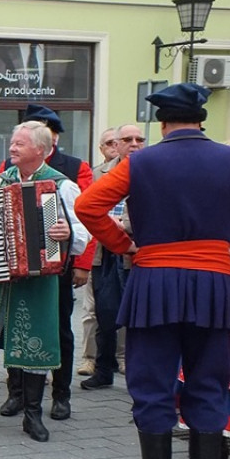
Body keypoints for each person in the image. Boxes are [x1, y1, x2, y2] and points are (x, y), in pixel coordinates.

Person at [75, 84, 230, 459]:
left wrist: (123, 244)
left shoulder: (139, 163)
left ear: (162, 124)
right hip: (217, 282)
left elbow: (89, 207)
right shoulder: (228, 158)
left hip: (155, 280)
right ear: (202, 119)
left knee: (152, 381)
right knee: (210, 381)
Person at [0, 121, 88, 442]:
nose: (11, 148)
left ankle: (32, 414)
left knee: (36, 340)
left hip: (39, 277)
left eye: (19, 144)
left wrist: (67, 235)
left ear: (40, 150)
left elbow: (82, 233)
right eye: (12, 143)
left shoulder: (63, 186)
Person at [0, 104, 93, 422]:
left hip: (58, 267)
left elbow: (84, 220)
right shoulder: (7, 169)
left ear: (48, 136)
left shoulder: (73, 168)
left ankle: (61, 394)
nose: (16, 144)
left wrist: (81, 263)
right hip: (16, 266)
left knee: (59, 330)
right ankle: (17, 392)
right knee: (15, 326)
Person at [80, 124, 144, 391]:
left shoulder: (150, 170)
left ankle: (137, 371)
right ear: (115, 145)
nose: (134, 144)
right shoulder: (99, 173)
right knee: (105, 314)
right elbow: (88, 209)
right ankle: (103, 369)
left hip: (138, 252)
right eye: (127, 139)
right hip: (106, 252)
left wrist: (124, 225)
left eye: (139, 139)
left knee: (140, 316)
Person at [77, 127, 120, 377]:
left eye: (118, 142)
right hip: (99, 247)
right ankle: (89, 358)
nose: (114, 147)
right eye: (109, 143)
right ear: (102, 149)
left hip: (127, 247)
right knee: (92, 308)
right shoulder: (94, 174)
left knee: (123, 307)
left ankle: (121, 357)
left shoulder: (138, 171)